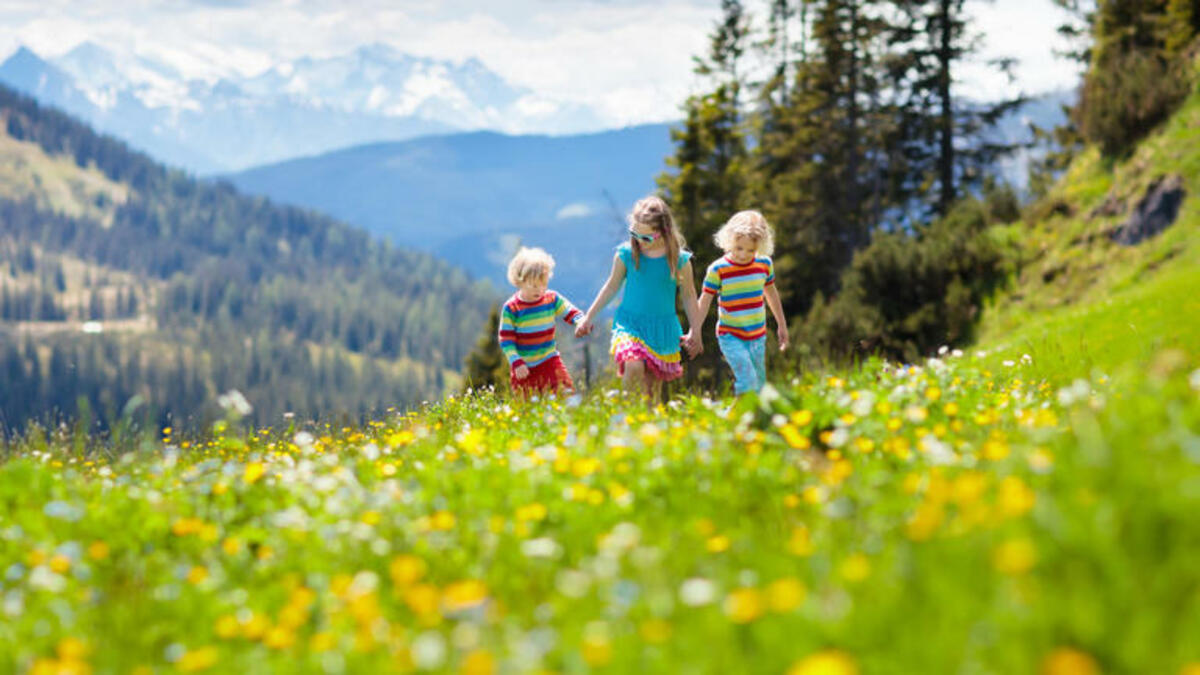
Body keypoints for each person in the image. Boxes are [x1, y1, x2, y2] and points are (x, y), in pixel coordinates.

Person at [575, 196, 702, 401]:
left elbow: (688, 295)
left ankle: (646, 428)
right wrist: (588, 317)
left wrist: (695, 331)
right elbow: (611, 287)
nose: (639, 242)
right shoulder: (626, 254)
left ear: (664, 232)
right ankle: (624, 415)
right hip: (630, 324)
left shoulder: (679, 260)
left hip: (662, 329)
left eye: (646, 238)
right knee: (633, 364)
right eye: (634, 234)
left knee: (652, 389)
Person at [687, 210, 789, 395]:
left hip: (758, 335)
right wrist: (695, 330)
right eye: (739, 248)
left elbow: (772, 295)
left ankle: (746, 420)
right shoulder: (718, 269)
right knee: (747, 380)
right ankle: (734, 419)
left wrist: (782, 325)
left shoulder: (764, 264)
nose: (744, 255)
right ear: (729, 240)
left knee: (759, 386)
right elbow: (704, 301)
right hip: (731, 335)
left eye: (751, 250)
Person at [498, 247, 584, 395]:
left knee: (566, 394)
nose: (539, 290)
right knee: (526, 408)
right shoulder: (512, 308)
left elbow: (568, 310)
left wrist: (580, 320)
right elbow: (506, 340)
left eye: (544, 284)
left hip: (549, 360)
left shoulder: (551, 299)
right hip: (523, 367)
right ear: (520, 281)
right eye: (534, 285)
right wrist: (516, 361)